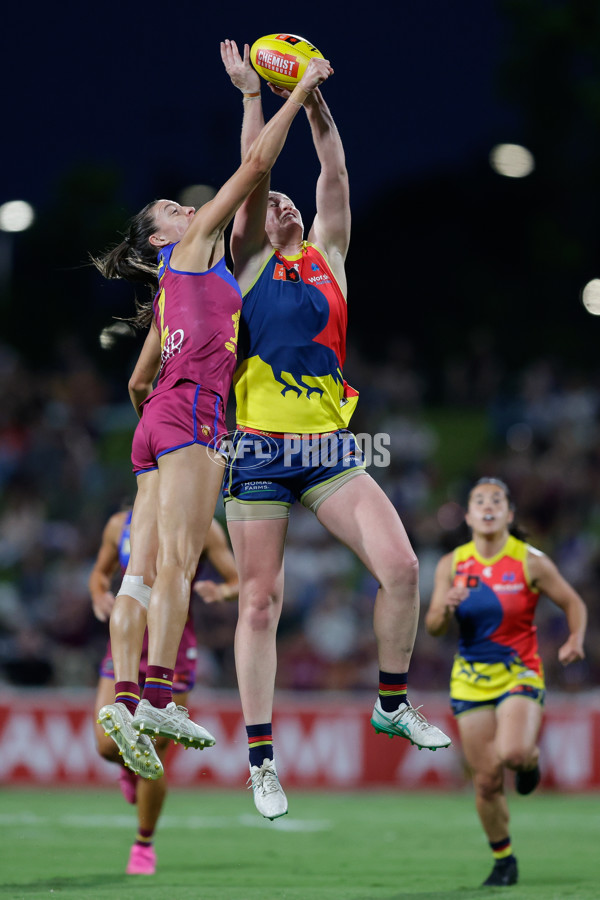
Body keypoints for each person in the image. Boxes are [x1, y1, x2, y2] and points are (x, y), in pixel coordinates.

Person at [220, 40, 451, 821]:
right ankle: (261, 762)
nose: (285, 205)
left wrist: (318, 103)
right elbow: (255, 174)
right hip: (255, 447)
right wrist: (257, 96)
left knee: (404, 568)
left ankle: (391, 701)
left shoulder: (329, 255)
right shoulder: (245, 262)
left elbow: (335, 175)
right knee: (260, 603)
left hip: (326, 448)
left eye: (293, 203)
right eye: (276, 202)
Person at [91, 53, 334, 780]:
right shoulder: (195, 249)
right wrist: (293, 92)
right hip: (191, 415)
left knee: (147, 569)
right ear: (163, 236)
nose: (183, 207)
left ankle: (128, 696)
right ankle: (160, 697)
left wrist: (254, 95)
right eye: (170, 208)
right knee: (182, 561)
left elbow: (138, 380)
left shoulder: (176, 283)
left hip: (156, 419)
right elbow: (258, 161)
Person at [425, 477, 587, 887]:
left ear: (510, 514)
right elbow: (433, 628)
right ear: (467, 515)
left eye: (497, 499)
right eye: (479, 500)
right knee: (486, 779)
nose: (488, 505)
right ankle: (504, 860)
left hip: (520, 671)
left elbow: (573, 602)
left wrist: (574, 639)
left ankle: (529, 763)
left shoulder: (530, 560)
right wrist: (444, 607)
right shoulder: (452, 565)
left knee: (513, 753)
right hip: (470, 680)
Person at [90, 508, 238, 875]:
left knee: (154, 752)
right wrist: (98, 594)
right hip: (127, 639)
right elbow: (99, 573)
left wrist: (220, 590)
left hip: (173, 645)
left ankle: (143, 843)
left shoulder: (201, 524)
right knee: (107, 744)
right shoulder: (118, 524)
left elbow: (237, 579)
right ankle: (126, 764)